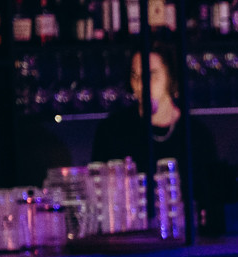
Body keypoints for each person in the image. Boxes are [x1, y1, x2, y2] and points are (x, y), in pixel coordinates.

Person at [91, 42, 218, 201]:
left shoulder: (196, 135)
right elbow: (99, 195)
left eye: (150, 75)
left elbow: (210, 199)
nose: (140, 85)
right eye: (135, 76)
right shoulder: (112, 130)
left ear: (170, 78)